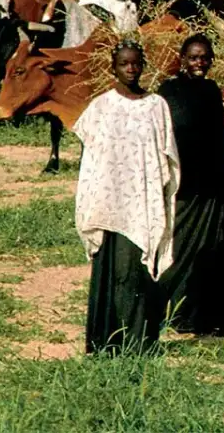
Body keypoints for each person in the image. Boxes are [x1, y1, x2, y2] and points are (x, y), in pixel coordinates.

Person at [74, 39, 180, 355]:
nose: (131, 69)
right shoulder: (101, 107)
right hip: (110, 204)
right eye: (124, 64)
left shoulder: (156, 106)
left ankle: (140, 343)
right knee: (113, 272)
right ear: (114, 67)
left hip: (142, 204)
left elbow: (167, 155)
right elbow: (90, 154)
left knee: (138, 274)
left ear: (143, 65)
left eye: (136, 63)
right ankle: (107, 343)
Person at [157, 35, 224, 335]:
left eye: (205, 57)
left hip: (213, 188)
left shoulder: (211, 90)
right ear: (182, 59)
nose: (200, 63)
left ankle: (208, 318)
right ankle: (174, 314)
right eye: (193, 57)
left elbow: (217, 144)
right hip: (184, 189)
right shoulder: (169, 92)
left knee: (213, 247)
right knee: (181, 249)